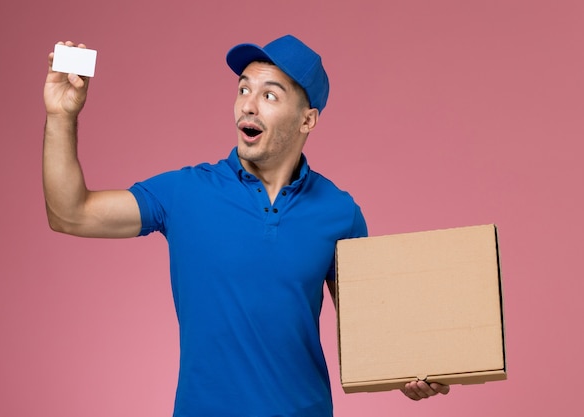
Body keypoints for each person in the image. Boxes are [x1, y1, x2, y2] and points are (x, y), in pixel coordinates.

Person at [43, 34, 450, 416]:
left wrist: (416, 372)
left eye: (269, 94)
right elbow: (71, 213)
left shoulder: (339, 212)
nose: (248, 106)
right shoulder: (185, 193)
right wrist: (61, 116)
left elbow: (376, 334)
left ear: (307, 121)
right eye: (243, 89)